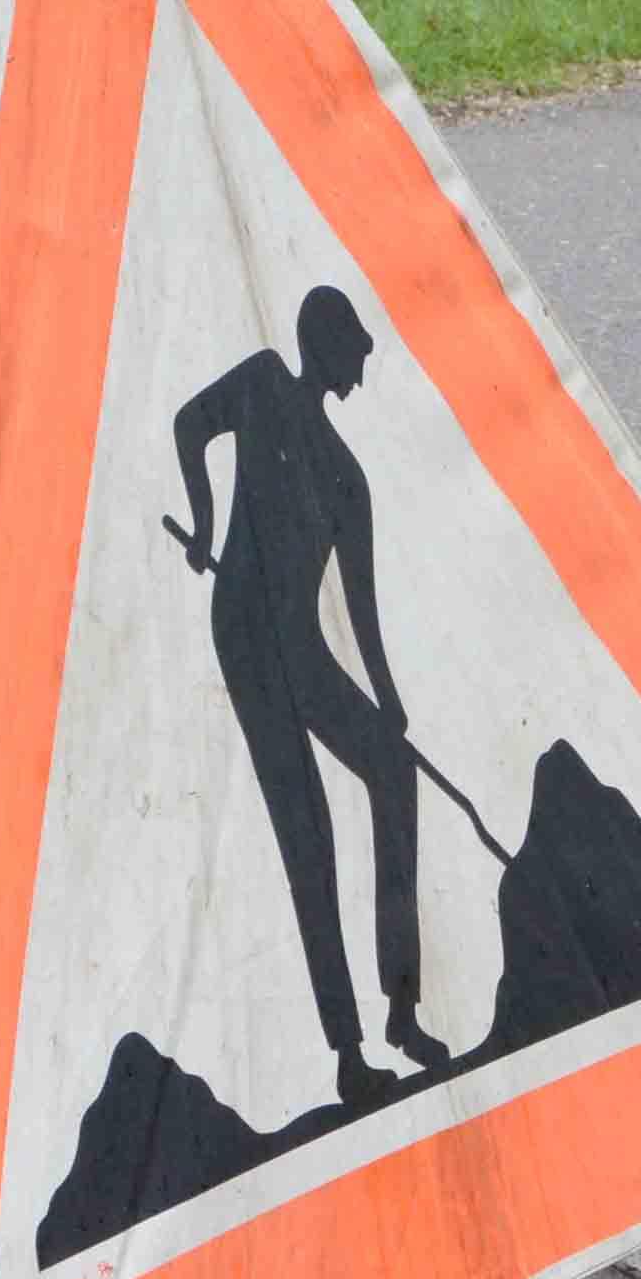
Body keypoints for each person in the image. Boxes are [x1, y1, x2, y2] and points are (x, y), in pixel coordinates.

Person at [168, 286, 454, 1116]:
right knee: (309, 833)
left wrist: (390, 706)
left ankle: (402, 1010)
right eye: (356, 348)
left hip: (300, 644)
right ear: (325, 345)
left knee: (392, 776)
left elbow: (359, 604)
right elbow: (190, 425)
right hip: (246, 638)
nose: (364, 364)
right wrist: (205, 517)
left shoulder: (346, 476)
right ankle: (349, 1052)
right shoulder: (258, 384)